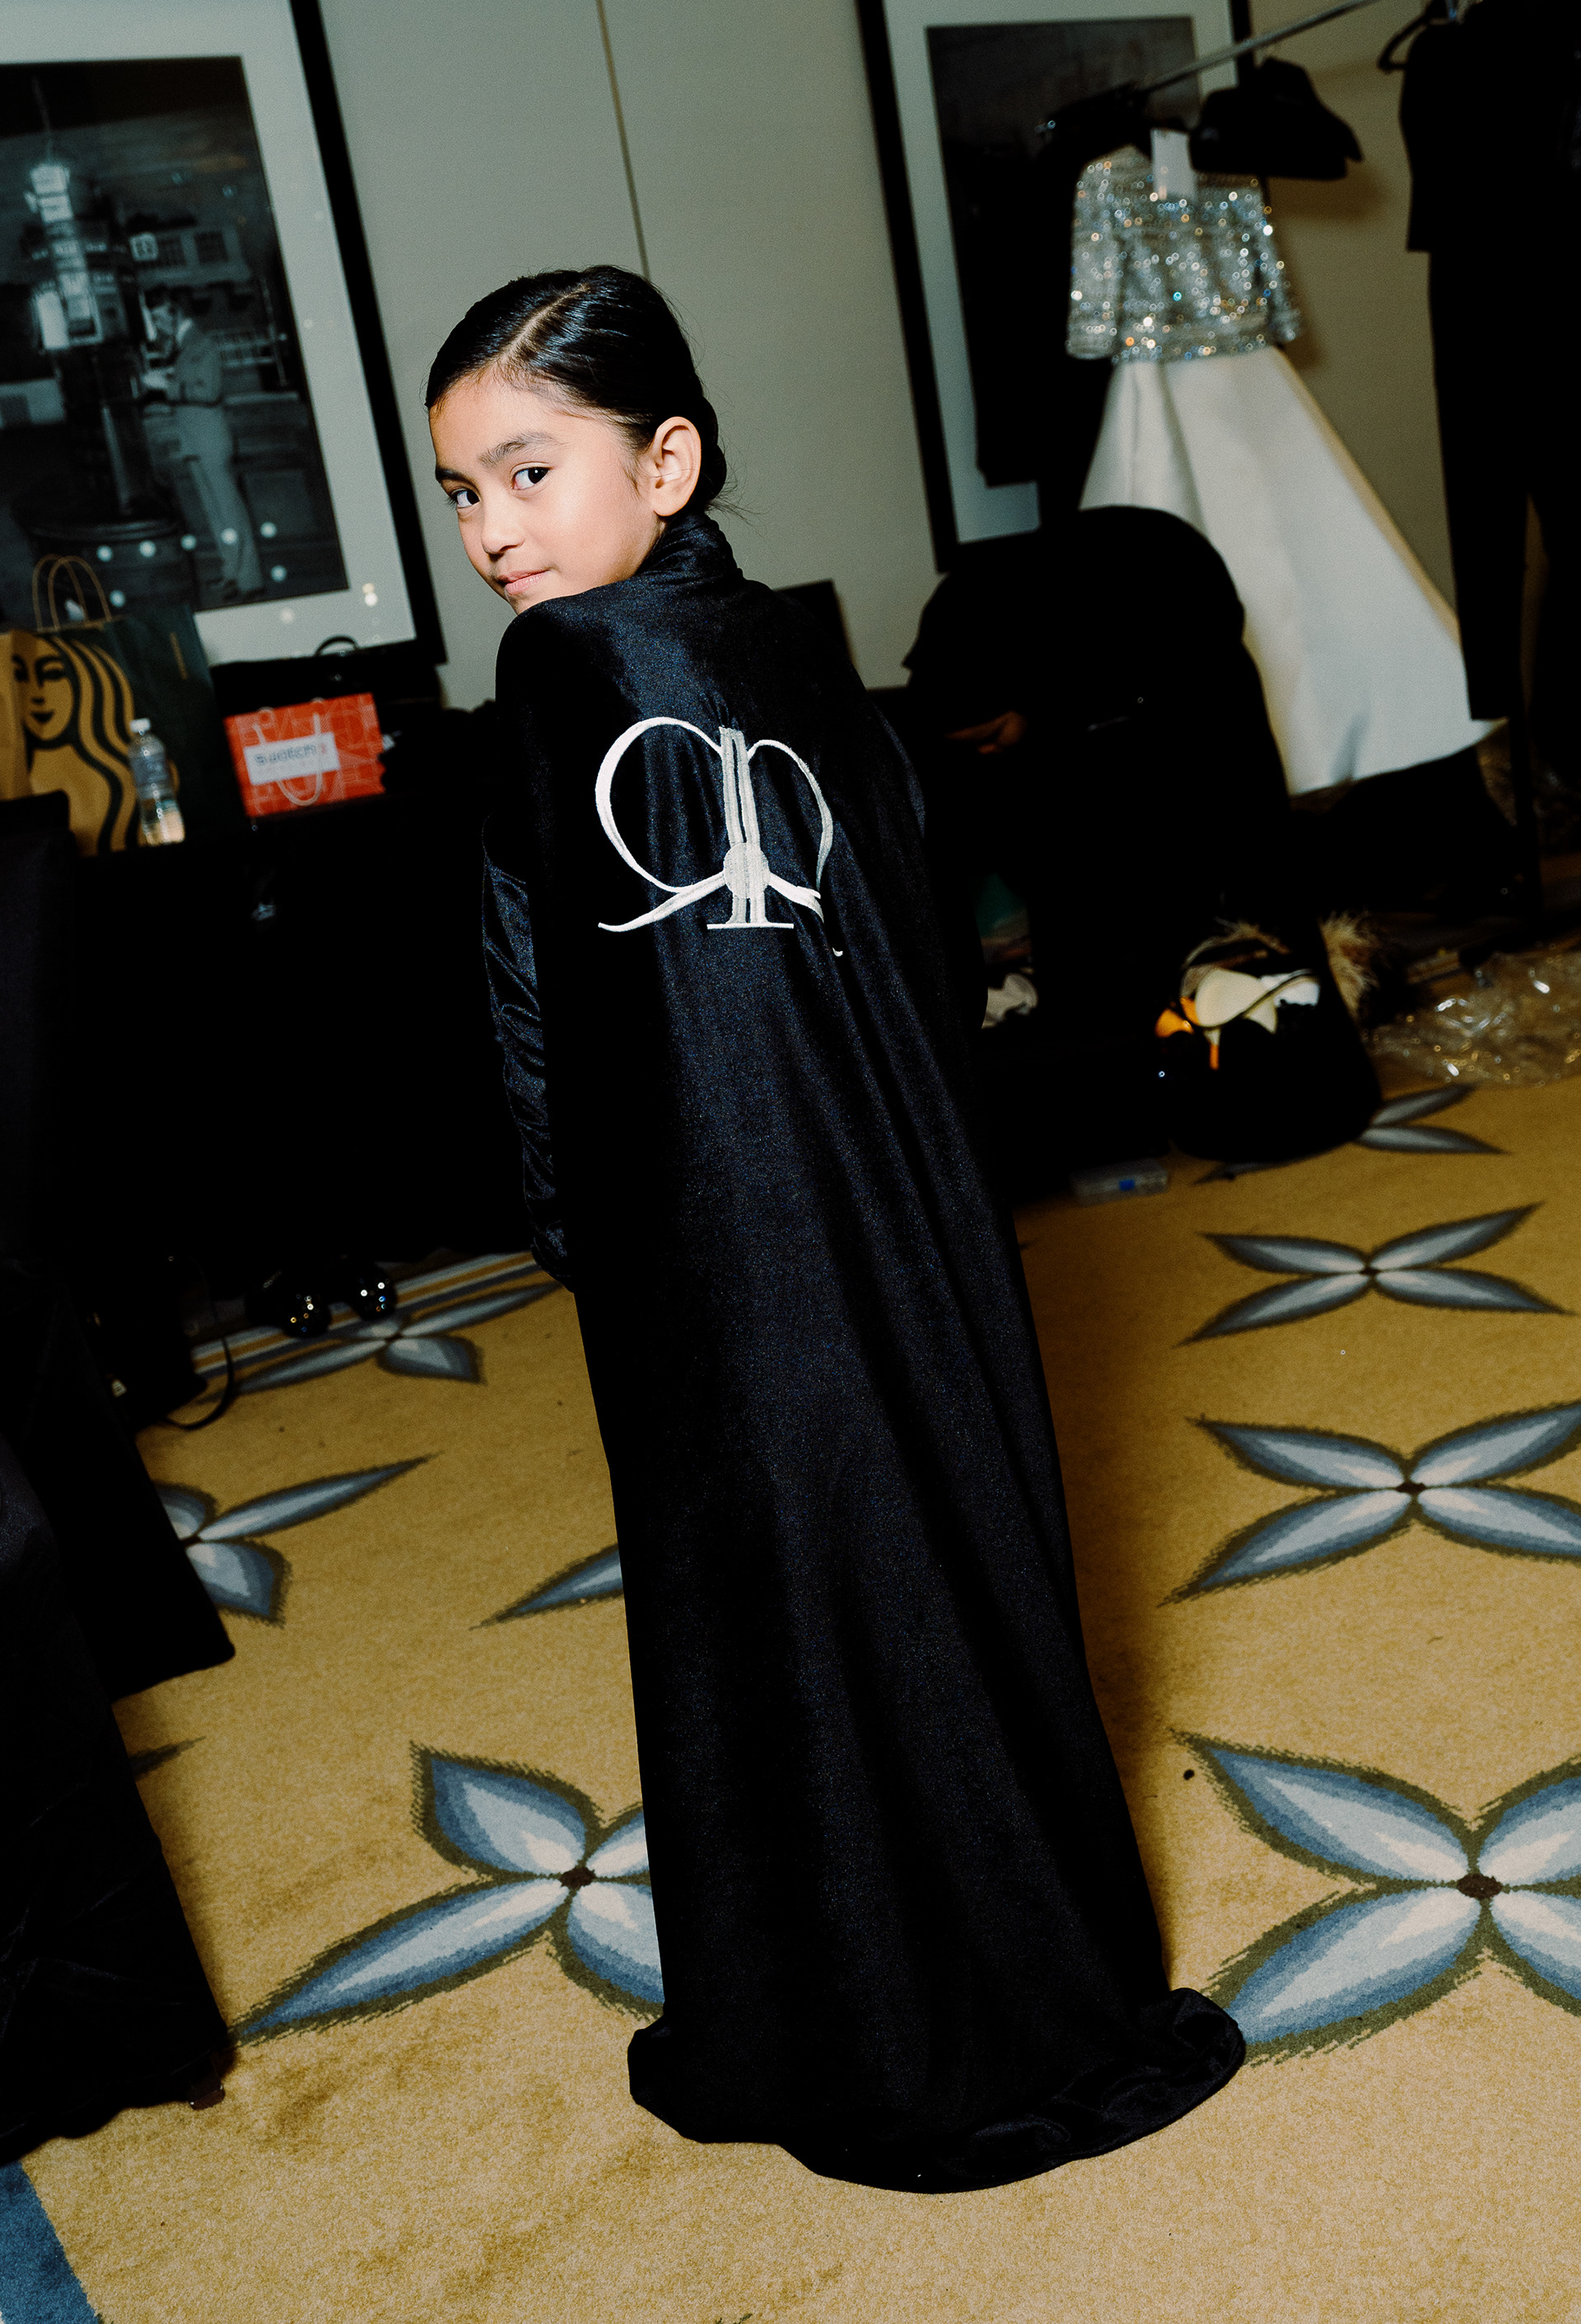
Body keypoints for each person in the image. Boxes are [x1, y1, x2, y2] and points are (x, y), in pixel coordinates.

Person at [427, 266, 1243, 2192]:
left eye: (531, 471)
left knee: (781, 1598)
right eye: (461, 492)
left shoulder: (571, 678)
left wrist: (580, 1230)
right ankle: (1015, 1969)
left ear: (668, 460)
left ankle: (854, 2011)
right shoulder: (796, 651)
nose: (493, 531)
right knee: (919, 1554)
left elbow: (538, 998)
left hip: (723, 1247)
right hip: (896, 1215)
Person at [142, 293, 263, 601]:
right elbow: (192, 380)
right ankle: (231, 574)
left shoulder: (201, 343)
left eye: (159, 317)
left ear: (175, 313)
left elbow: (209, 391)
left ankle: (250, 579)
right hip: (194, 441)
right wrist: (168, 376)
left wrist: (166, 385)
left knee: (229, 511)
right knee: (215, 514)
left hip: (210, 440)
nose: (156, 325)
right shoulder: (182, 345)